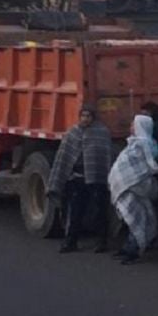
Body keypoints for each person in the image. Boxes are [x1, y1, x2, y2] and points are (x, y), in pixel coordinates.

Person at [48, 106, 113, 254]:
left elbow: (106, 157)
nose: (85, 119)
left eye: (88, 116)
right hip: (77, 178)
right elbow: (64, 157)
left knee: (99, 211)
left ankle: (101, 242)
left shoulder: (101, 133)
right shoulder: (73, 133)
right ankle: (70, 242)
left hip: (97, 179)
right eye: (83, 116)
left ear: (93, 118)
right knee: (75, 211)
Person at [108, 114, 158, 265]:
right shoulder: (137, 143)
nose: (131, 127)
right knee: (133, 217)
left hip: (135, 186)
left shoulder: (143, 144)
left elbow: (147, 165)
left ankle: (133, 251)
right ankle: (128, 248)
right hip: (132, 186)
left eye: (134, 124)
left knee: (136, 218)